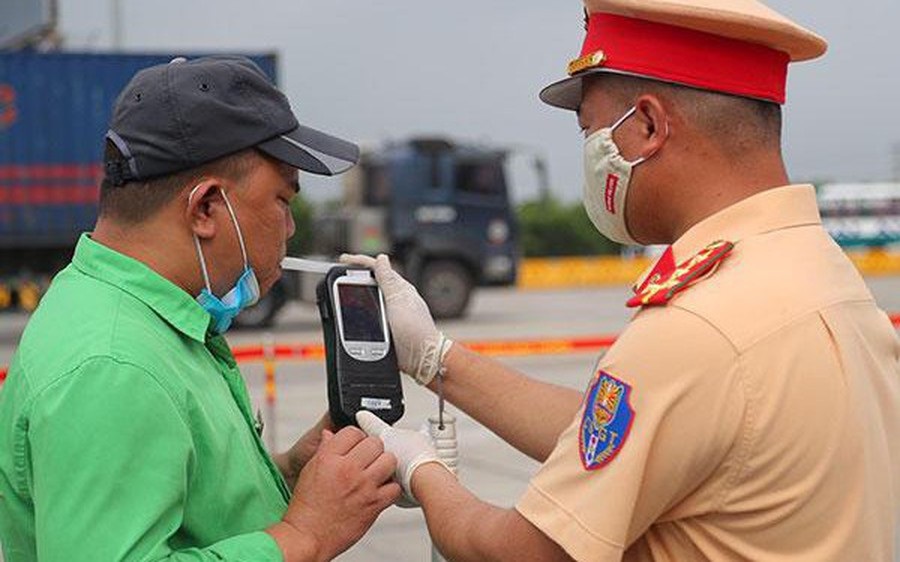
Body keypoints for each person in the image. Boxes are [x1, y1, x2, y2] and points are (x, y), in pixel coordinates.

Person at [347, 0, 900, 560]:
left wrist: (421, 468)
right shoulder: (821, 272)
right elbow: (629, 432)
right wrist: (435, 358)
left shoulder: (699, 326)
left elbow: (519, 553)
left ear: (650, 125)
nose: (588, 154)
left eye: (590, 131)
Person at [0, 55, 400, 561]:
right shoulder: (114, 365)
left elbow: (173, 507)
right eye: (282, 200)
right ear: (207, 208)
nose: (291, 228)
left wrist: (290, 473)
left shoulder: (140, 319)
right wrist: (306, 534)